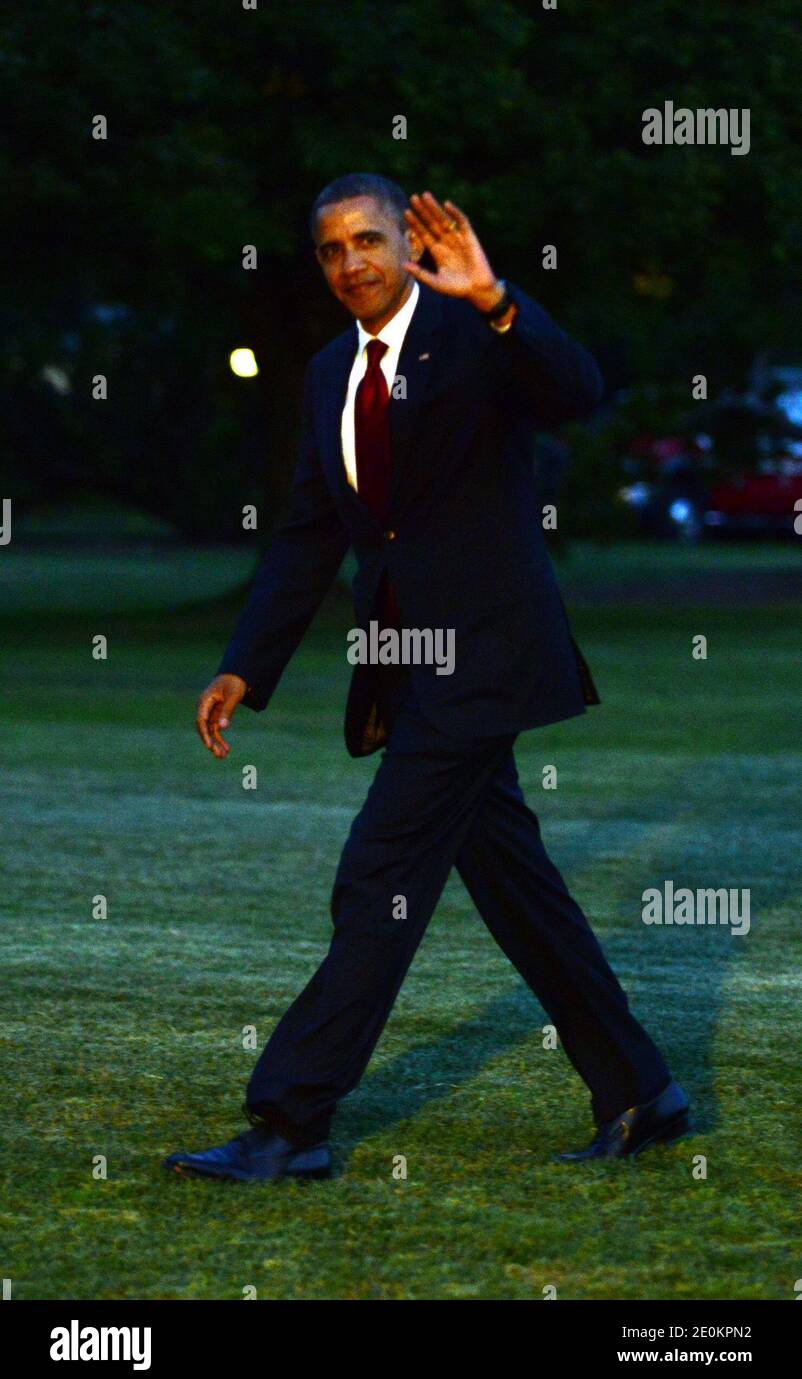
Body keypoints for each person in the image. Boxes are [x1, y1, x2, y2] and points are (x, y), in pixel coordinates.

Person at [164, 174, 689, 1183]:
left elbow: (577, 389)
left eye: (369, 240)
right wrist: (244, 666)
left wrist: (495, 298)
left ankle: (291, 1119)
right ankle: (640, 1090)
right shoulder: (327, 372)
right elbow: (315, 530)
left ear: (409, 245)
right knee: (515, 887)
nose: (351, 263)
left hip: (486, 658)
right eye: (330, 249)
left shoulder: (471, 334)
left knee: (378, 873)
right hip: (405, 670)